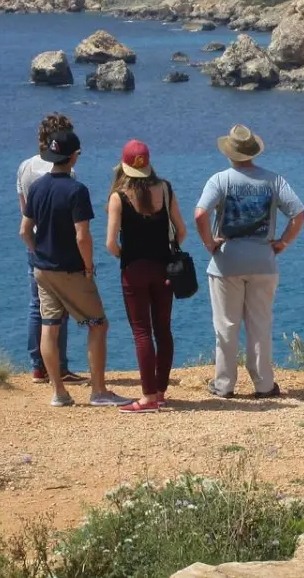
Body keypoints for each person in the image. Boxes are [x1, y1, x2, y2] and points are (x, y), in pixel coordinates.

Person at [20, 129, 131, 408]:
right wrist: (88, 266)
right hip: (70, 269)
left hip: (42, 269)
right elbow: (82, 236)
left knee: (50, 327)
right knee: (98, 325)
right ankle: (99, 391)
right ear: (74, 156)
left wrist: (37, 253)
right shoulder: (76, 190)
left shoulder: (37, 188)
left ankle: (59, 392)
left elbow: (24, 231)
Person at [194, 124, 304, 399]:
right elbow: (299, 213)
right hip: (263, 262)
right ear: (253, 151)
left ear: (229, 152)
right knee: (260, 325)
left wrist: (209, 243)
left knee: (226, 326)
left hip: (227, 262)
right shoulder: (274, 180)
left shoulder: (220, 180)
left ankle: (224, 385)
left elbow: (200, 214)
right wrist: (283, 242)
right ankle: (264, 384)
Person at [104, 140, 187, 414]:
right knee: (163, 330)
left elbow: (110, 243)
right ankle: (160, 393)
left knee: (142, 333)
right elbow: (182, 231)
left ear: (124, 165)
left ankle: (148, 397)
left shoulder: (118, 197)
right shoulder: (165, 189)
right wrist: (168, 250)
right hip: (164, 270)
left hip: (134, 272)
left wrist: (125, 256)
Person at [16, 114, 82, 386]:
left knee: (37, 306)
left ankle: (37, 367)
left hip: (35, 245)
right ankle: (60, 367)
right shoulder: (67, 172)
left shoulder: (25, 167)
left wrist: (34, 248)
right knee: (60, 309)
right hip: (60, 248)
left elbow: (25, 211)